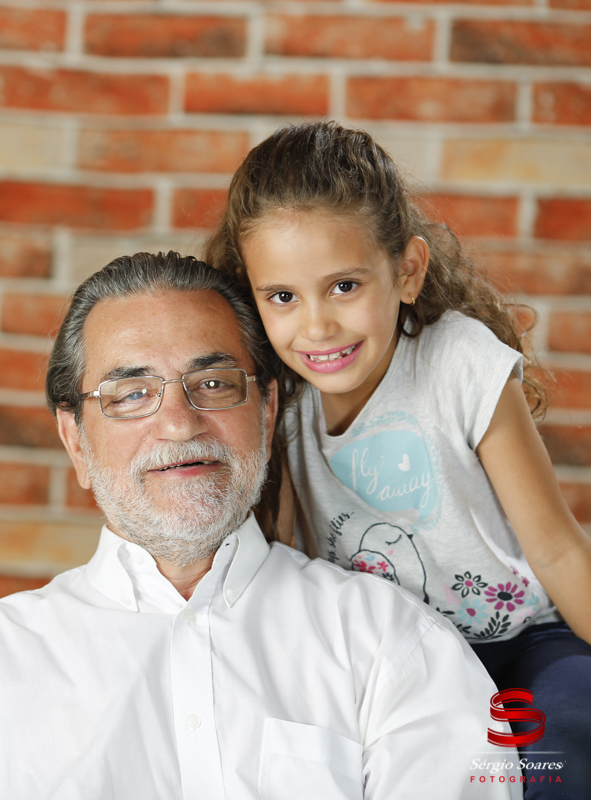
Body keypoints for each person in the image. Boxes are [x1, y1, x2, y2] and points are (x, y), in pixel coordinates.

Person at [0, 252, 520, 799]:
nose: (180, 423)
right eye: (131, 395)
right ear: (75, 440)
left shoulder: (397, 647)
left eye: (212, 383)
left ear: (267, 410)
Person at [205, 121, 591, 794]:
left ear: (406, 271)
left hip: (519, 648)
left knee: (559, 749)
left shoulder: (460, 364)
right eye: (284, 297)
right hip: (383, 657)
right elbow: (287, 559)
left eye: (345, 286)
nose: (317, 326)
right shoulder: (283, 402)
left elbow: (558, 550)